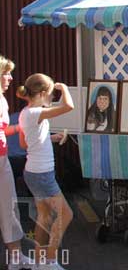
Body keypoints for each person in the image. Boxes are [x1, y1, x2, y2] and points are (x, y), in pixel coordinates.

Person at [17, 73, 73, 270]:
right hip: (42, 175)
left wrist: (50, 138)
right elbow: (68, 107)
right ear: (41, 94)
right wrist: (64, 88)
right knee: (66, 215)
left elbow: (26, 143)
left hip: (33, 172)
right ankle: (49, 261)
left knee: (44, 217)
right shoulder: (36, 113)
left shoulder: (26, 112)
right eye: (50, 95)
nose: (51, 99)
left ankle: (39, 263)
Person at [0, 55, 33, 270]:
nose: (10, 78)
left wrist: (22, 127)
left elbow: (3, 130)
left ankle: (16, 257)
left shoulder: (2, 99)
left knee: (9, 206)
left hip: (2, 159)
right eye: (6, 73)